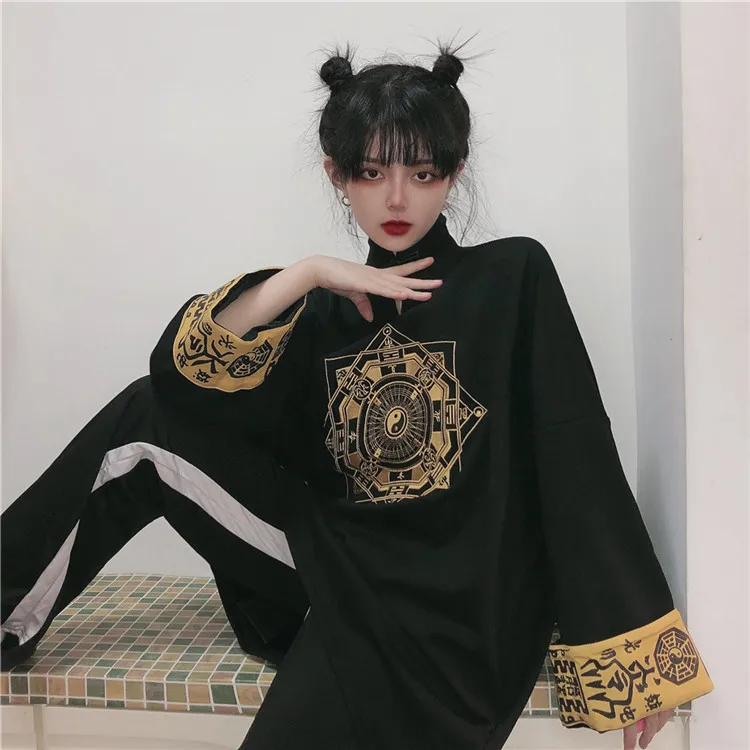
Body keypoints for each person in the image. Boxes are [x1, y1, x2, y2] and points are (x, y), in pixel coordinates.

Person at [1, 40, 713, 750]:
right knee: (143, 418)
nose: (397, 198)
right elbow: (180, 379)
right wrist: (307, 275)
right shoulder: (323, 310)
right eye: (371, 172)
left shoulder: (511, 277)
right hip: (338, 564)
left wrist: (633, 654)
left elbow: (573, 447)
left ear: (455, 171)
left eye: (422, 172)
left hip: (463, 591)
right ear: (336, 174)